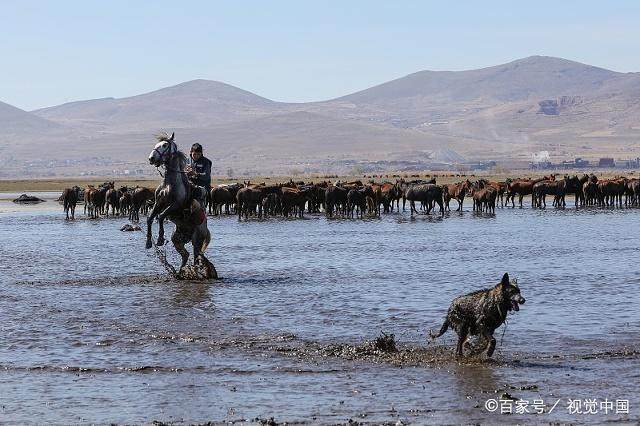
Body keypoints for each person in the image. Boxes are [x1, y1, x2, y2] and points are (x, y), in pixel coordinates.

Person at [185, 143, 212, 207]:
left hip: (202, 188)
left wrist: (195, 174)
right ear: (191, 152)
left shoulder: (206, 162)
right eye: (194, 154)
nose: (196, 156)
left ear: (201, 153)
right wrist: (186, 173)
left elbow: (206, 176)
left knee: (198, 204)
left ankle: (201, 212)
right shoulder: (187, 161)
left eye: (198, 154)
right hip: (189, 187)